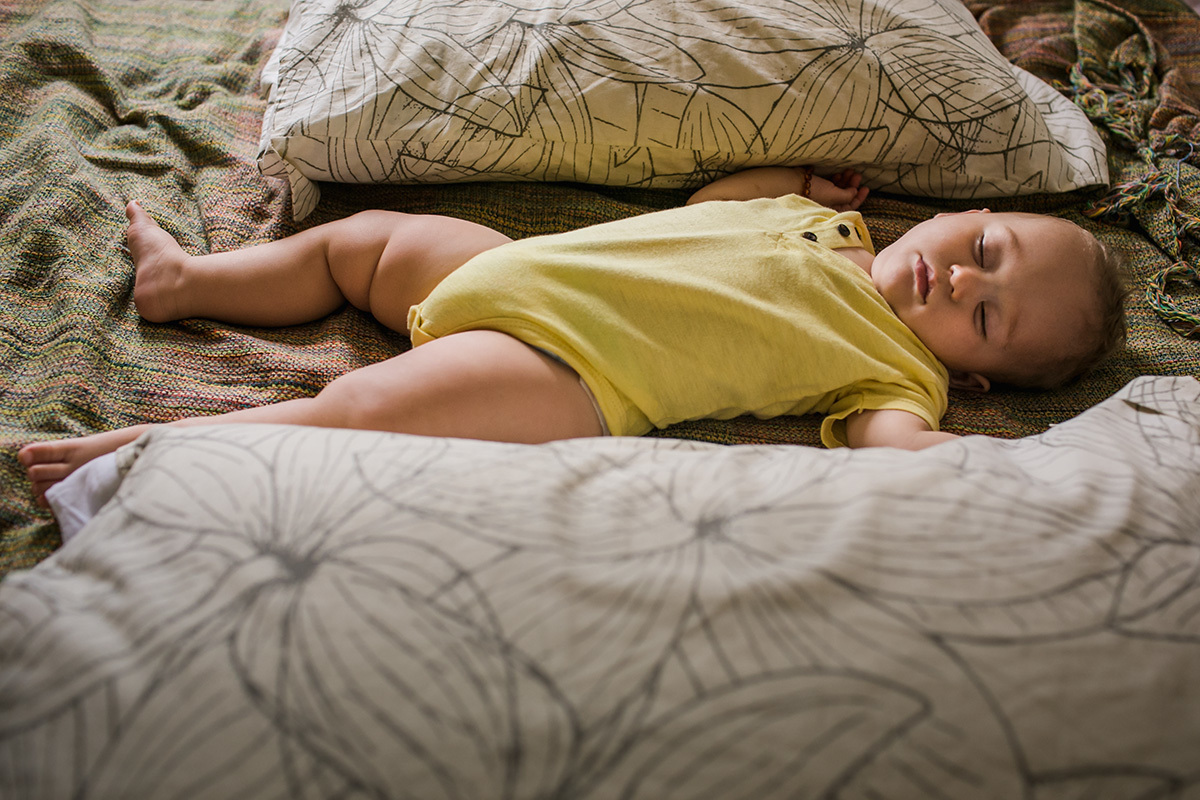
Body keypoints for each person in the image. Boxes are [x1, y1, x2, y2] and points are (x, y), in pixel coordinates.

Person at [19, 167, 1128, 504]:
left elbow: (894, 447)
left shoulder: (901, 372)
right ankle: (185, 278)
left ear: (976, 376)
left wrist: (1014, 466)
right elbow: (706, 211)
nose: (962, 274)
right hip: (508, 266)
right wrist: (781, 182)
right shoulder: (829, 220)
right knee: (359, 240)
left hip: (566, 367)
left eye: (984, 312)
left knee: (352, 413)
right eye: (984, 241)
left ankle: (152, 453)